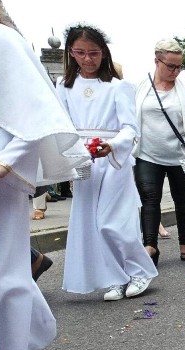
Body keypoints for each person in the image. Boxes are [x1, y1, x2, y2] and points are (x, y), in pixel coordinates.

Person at [0, 0, 88, 350]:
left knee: (4, 268)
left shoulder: (2, 40)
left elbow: (39, 114)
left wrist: (5, 161)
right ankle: (29, 331)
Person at [58, 25, 157, 301]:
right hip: (83, 159)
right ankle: (115, 276)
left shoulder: (118, 87)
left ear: (104, 54)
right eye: (80, 53)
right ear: (71, 54)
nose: (88, 59)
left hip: (113, 160)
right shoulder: (64, 87)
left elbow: (129, 127)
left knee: (111, 221)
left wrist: (112, 145)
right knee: (91, 223)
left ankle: (140, 271)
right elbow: (62, 126)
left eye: (94, 53)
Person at [134, 38, 185, 262]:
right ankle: (150, 246)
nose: (175, 71)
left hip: (178, 155)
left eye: (179, 66)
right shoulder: (140, 88)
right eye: (171, 66)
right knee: (149, 198)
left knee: (183, 199)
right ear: (157, 61)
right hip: (147, 154)